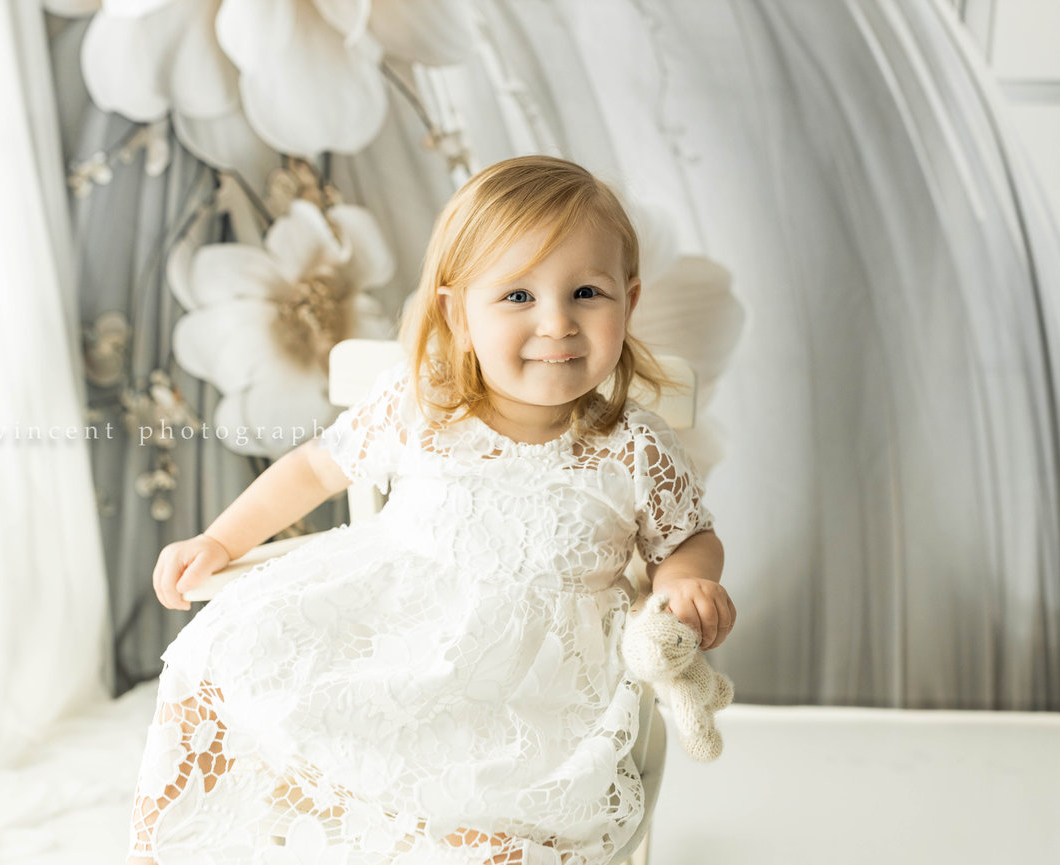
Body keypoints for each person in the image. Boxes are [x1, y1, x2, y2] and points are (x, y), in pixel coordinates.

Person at [126, 154, 737, 865]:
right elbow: (314, 468)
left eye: (586, 292)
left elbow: (685, 537)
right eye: (517, 297)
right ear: (458, 313)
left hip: (531, 683)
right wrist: (220, 537)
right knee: (220, 657)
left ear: (628, 300)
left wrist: (683, 583)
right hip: (393, 624)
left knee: (497, 814)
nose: (557, 323)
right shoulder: (425, 404)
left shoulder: (633, 447)